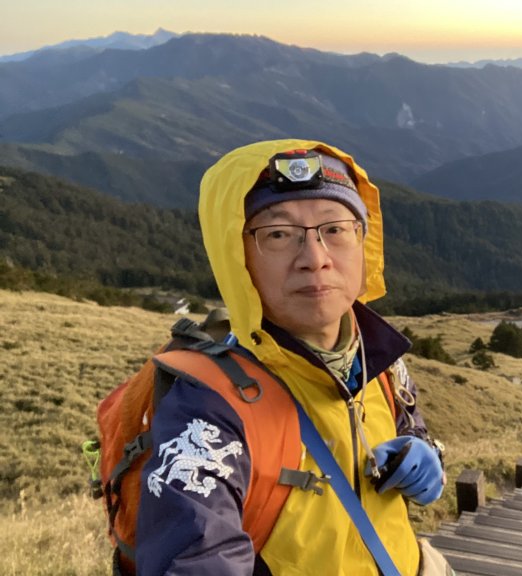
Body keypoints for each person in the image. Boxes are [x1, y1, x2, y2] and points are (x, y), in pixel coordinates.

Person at [135, 140, 445, 575]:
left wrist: (425, 455)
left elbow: (415, 434)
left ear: (362, 243)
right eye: (279, 235)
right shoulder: (206, 409)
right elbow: (198, 557)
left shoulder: (380, 360)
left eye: (335, 229)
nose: (315, 259)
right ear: (236, 258)